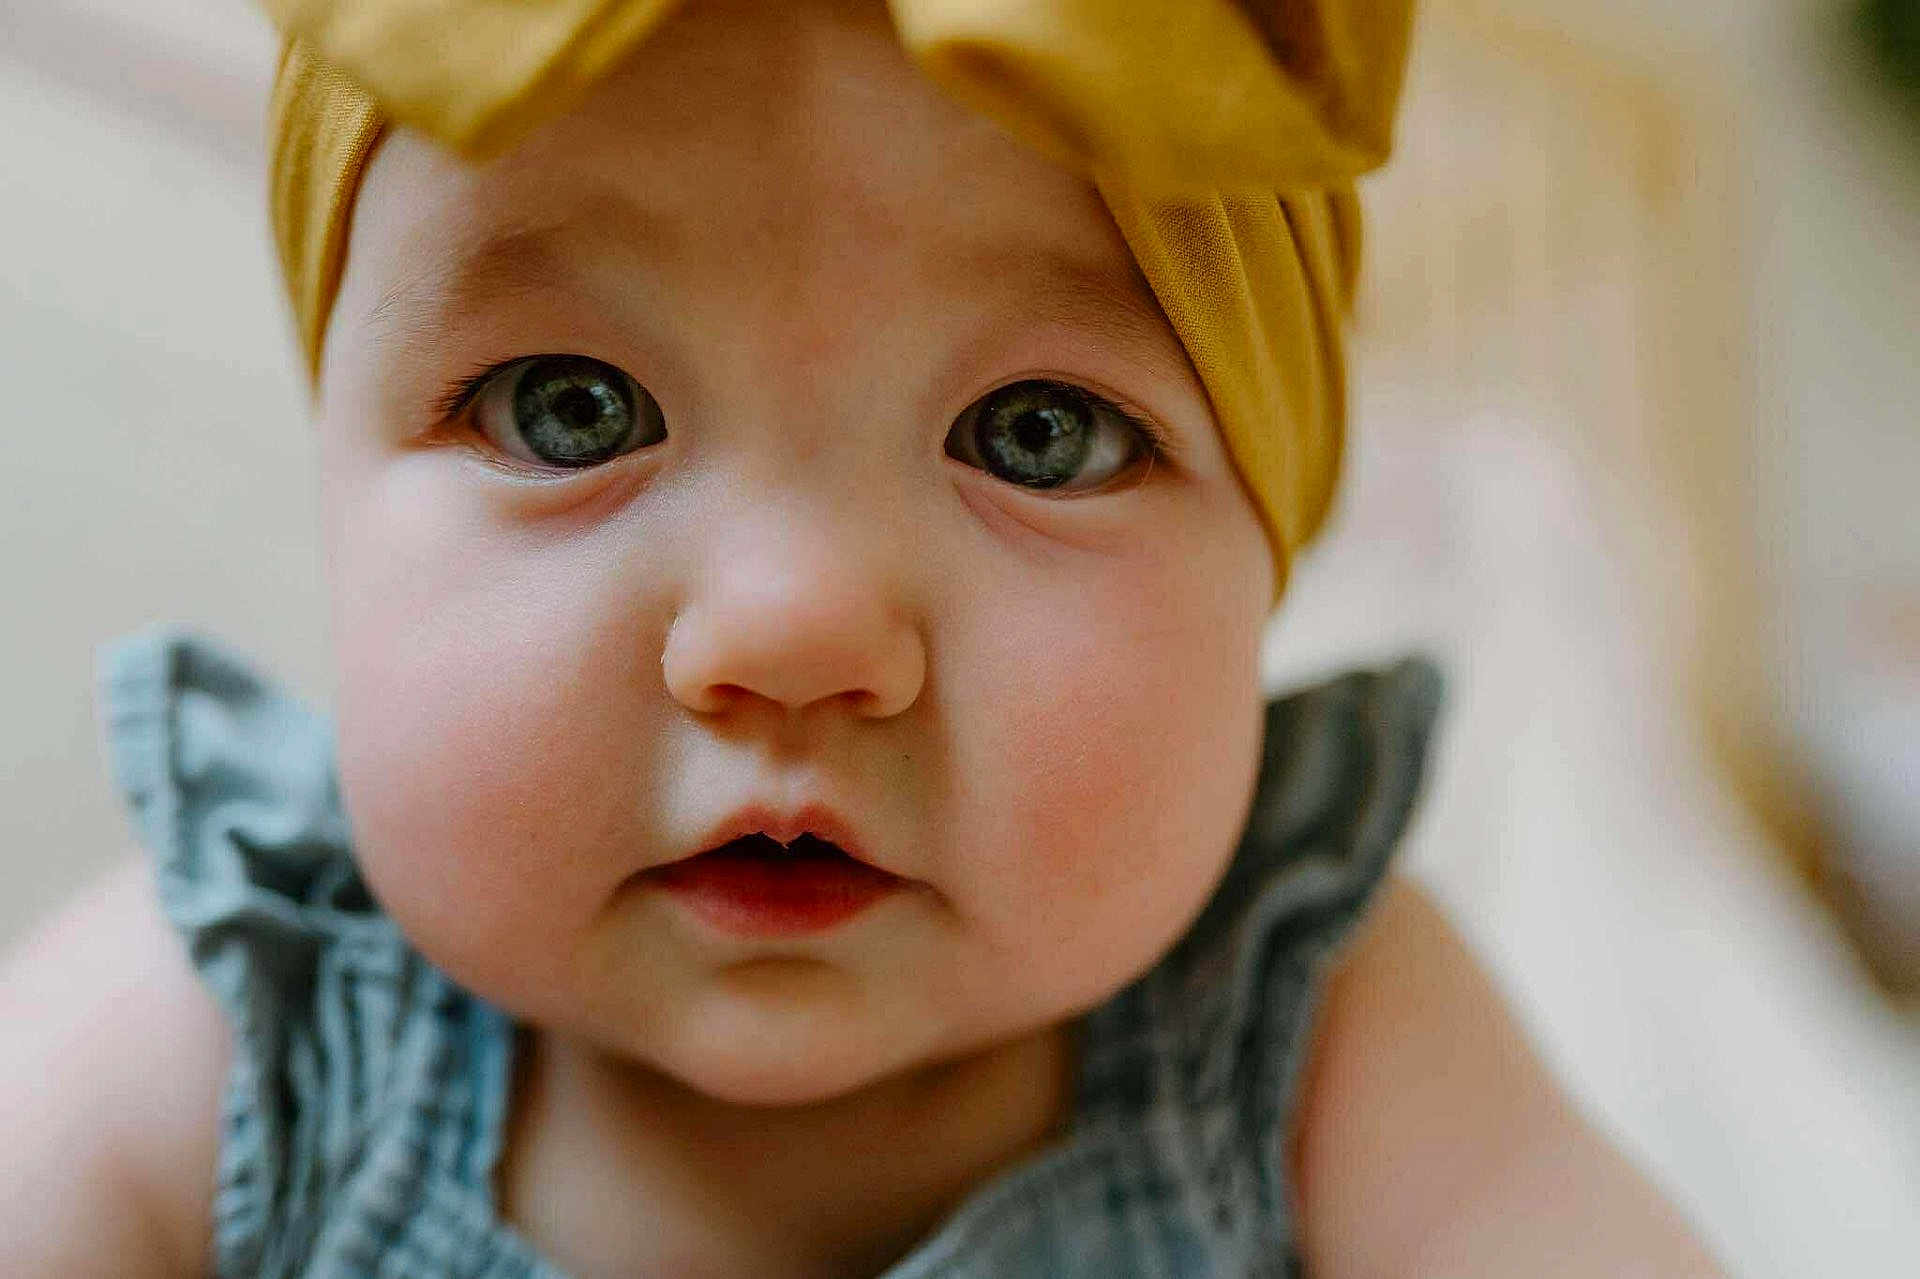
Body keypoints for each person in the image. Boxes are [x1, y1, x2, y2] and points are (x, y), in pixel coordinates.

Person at [0, 1, 1728, 1274]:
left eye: (1037, 435)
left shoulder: (1319, 1042)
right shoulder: (232, 1032)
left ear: (1263, 553)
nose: (791, 631)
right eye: (570, 409)